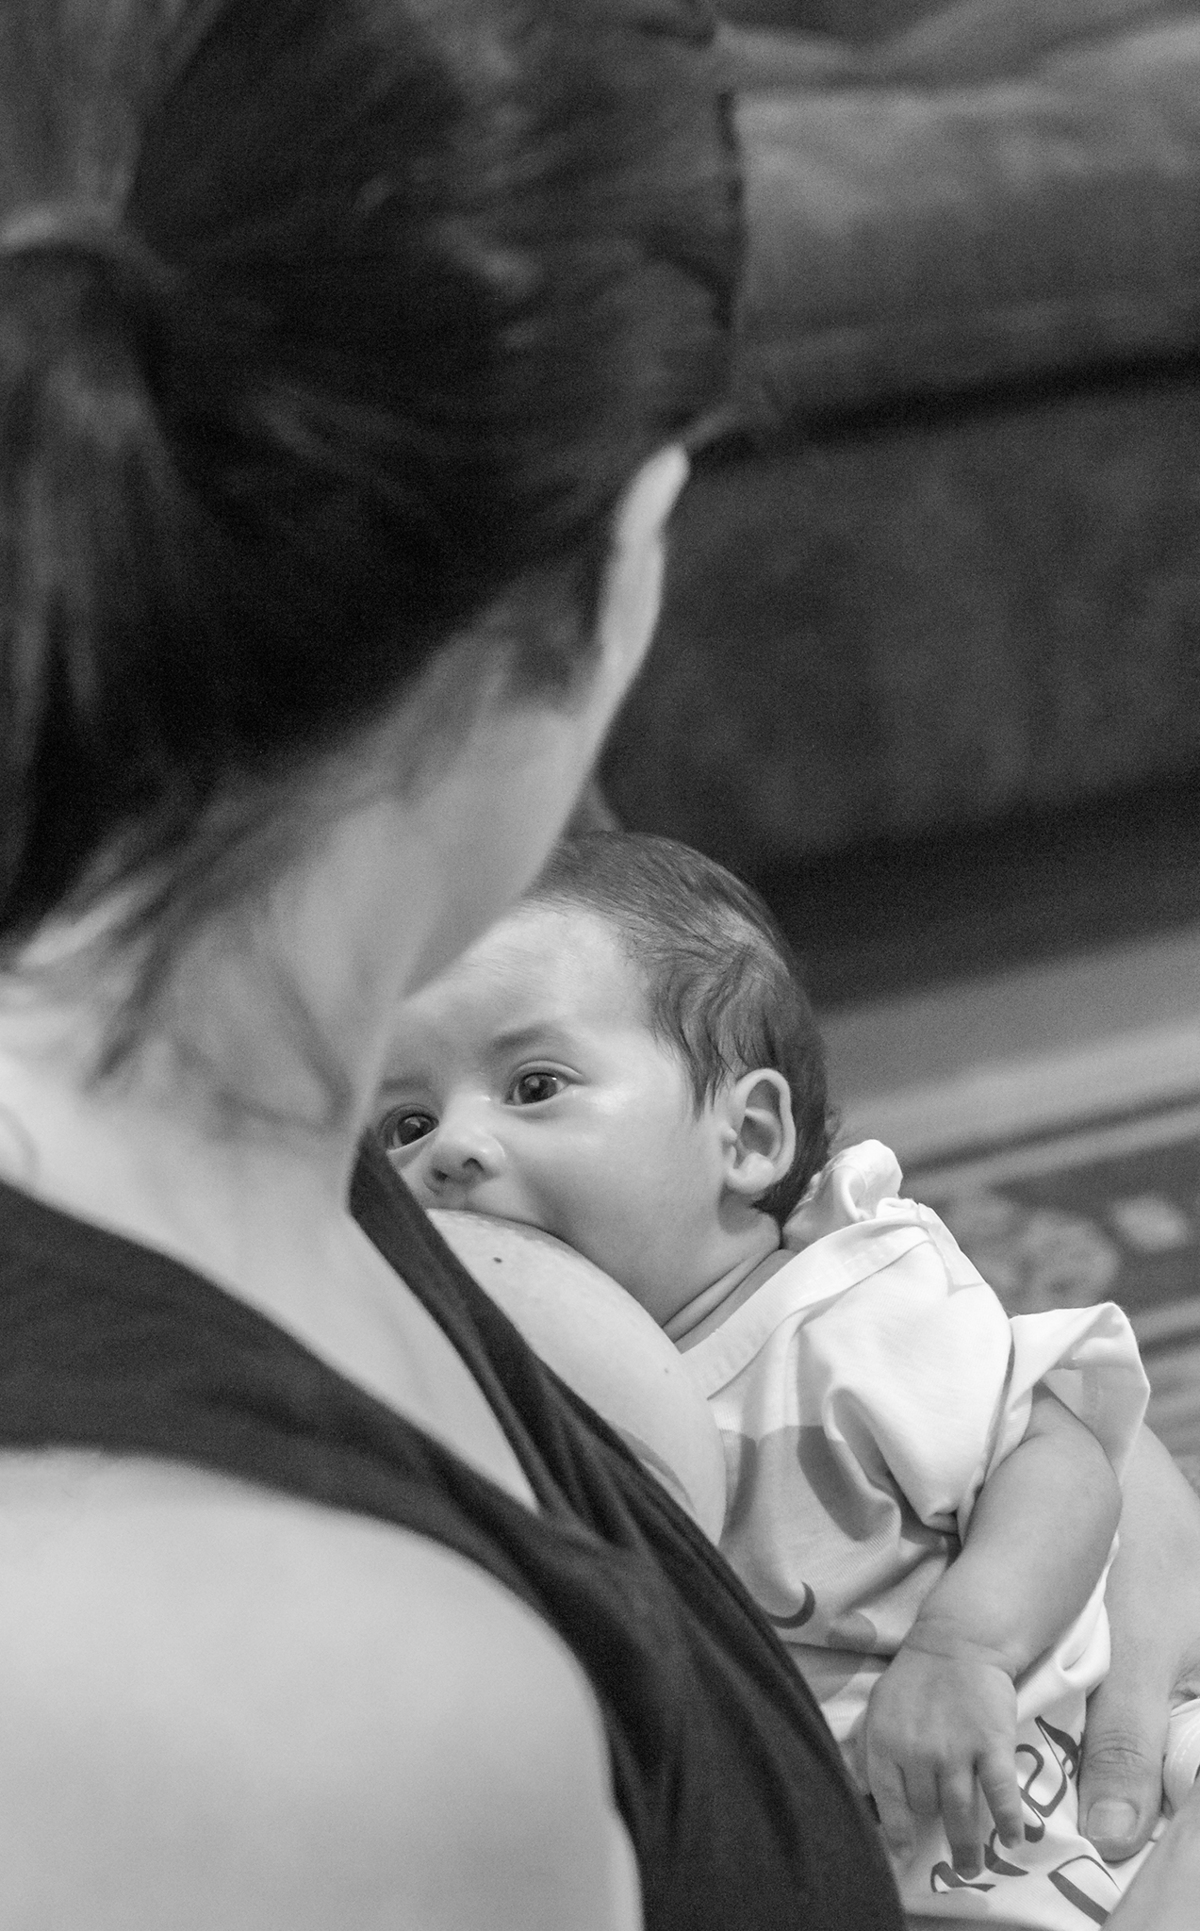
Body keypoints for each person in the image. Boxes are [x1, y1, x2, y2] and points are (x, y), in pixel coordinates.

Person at [0, 3, 1198, 1928]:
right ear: (636, 528)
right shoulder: (357, 1704)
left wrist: (1081, 1496)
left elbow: (889, 1339)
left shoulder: (313, 1060)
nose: (468, 1138)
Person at [379, 830, 1200, 1926]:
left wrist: (966, 1643)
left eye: (534, 1085)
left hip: (1076, 1780)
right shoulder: (485, 1407)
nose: (449, 1150)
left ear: (750, 1134)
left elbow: (1061, 1456)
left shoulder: (846, 1312)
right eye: (406, 1122)